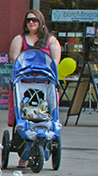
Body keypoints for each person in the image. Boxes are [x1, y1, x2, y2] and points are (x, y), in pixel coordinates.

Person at [8, 9, 61, 167]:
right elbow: (15, 59)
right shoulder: (20, 39)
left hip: (44, 84)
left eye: (35, 20)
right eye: (29, 20)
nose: (31, 23)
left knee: (46, 112)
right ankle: (22, 153)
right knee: (22, 114)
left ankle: (46, 141)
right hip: (24, 83)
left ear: (41, 22)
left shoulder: (50, 41)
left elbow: (54, 62)